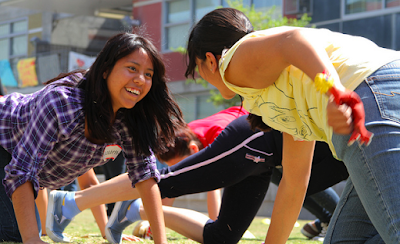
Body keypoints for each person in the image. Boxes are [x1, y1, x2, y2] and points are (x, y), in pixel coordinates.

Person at [184, 7, 400, 244]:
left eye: (197, 68)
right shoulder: (280, 95)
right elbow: (294, 185)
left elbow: (294, 39)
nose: (201, 76)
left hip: (374, 92)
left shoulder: (232, 62)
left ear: (210, 61)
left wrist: (332, 92)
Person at [46, 114, 348, 244]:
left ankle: (131, 210)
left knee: (222, 238)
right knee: (161, 180)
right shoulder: (214, 135)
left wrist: (150, 213)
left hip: (267, 160)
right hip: (255, 141)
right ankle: (71, 201)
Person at [0, 32, 184, 244]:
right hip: (3, 142)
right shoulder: (62, 105)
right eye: (132, 68)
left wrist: (159, 242)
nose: (140, 79)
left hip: (18, 164)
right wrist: (32, 238)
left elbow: (145, 177)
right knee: (15, 233)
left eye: (148, 74)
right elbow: (22, 171)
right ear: (105, 70)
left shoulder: (130, 120)